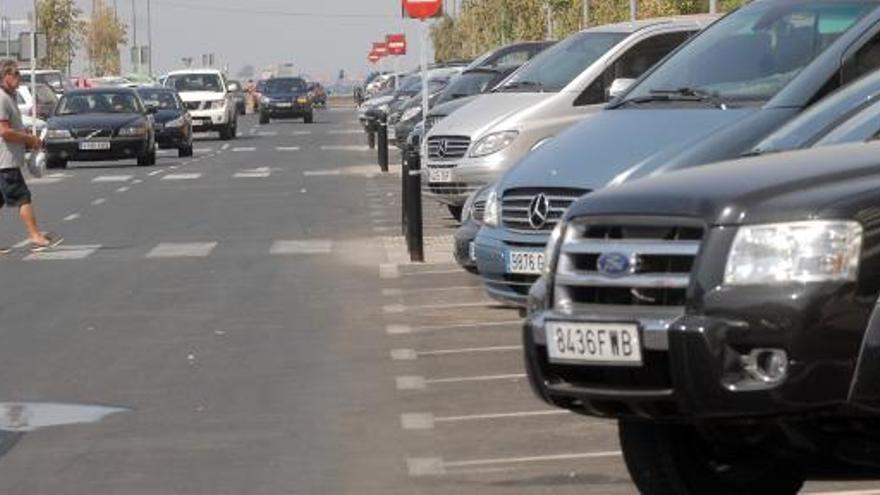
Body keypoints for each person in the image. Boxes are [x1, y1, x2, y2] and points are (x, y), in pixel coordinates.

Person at [0, 60, 62, 253]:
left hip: (6, 159)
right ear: (5, 76)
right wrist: (28, 139)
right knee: (22, 197)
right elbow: (3, 131)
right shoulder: (2, 98)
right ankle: (35, 236)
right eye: (16, 74)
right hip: (5, 160)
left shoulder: (10, 97)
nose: (19, 78)